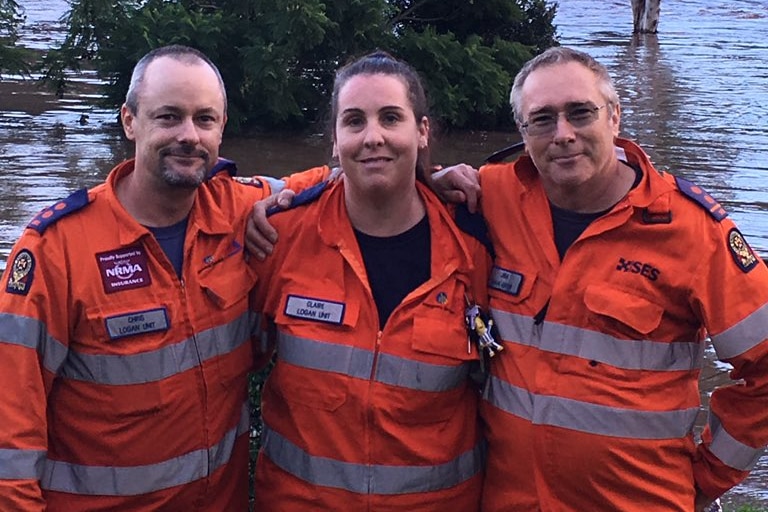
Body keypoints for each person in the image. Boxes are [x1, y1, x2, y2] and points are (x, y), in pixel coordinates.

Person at [432, 46, 768, 511]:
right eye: (543, 119)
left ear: (614, 117)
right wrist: (430, 182)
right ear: (522, 132)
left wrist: (710, 474)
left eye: (580, 113)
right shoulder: (490, 197)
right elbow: (377, 189)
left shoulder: (690, 230)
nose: (563, 134)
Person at [0, 44, 328, 510]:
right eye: (169, 117)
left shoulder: (237, 210)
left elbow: (341, 180)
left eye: (205, 119)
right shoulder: (56, 249)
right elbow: (9, 436)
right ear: (129, 120)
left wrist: (429, 177)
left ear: (222, 129)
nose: (189, 135)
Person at [248, 51, 491, 511]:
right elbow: (209, 194)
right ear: (335, 141)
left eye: (391, 118)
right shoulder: (283, 234)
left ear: (421, 132)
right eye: (354, 121)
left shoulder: (474, 241)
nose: (372, 137)